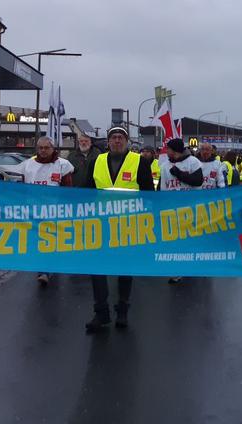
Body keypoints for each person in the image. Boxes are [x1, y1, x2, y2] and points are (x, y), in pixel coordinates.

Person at [85, 126, 154, 331]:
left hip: (128, 225)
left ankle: (122, 309)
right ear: (108, 141)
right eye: (113, 137)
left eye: (120, 137)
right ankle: (101, 312)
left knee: (125, 269)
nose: (117, 141)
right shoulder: (96, 161)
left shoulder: (138, 161)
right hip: (101, 224)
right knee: (97, 269)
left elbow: (149, 193)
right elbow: (86, 191)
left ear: (127, 141)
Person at [17, 136, 75, 286]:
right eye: (40, 148)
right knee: (38, 242)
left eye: (46, 148)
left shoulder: (62, 165)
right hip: (34, 212)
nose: (43, 151)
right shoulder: (27, 165)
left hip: (54, 212)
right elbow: (22, 188)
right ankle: (43, 270)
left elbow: (68, 189)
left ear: (53, 148)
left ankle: (48, 268)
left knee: (51, 241)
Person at [160, 138, 204, 283]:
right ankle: (177, 270)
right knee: (175, 240)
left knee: (189, 239)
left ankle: (192, 263)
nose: (167, 151)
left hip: (190, 208)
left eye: (169, 149)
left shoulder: (193, 162)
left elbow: (198, 181)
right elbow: (163, 186)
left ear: (176, 150)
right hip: (172, 209)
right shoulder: (165, 165)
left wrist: (179, 173)